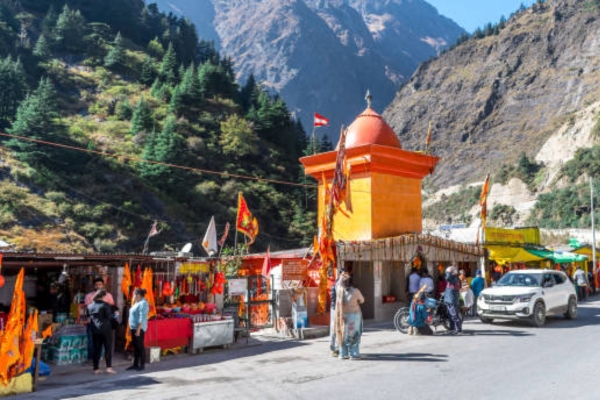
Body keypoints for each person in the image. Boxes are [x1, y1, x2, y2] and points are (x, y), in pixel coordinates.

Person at [334, 272, 364, 360]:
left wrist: (341, 278)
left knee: (343, 334)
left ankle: (343, 353)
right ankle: (354, 353)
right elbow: (362, 300)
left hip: (342, 316)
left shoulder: (339, 291)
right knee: (354, 334)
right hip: (354, 316)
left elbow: (337, 284)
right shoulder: (356, 291)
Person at [87, 289, 117, 374]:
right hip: (106, 330)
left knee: (96, 349)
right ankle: (108, 368)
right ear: (103, 296)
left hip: (95, 330)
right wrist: (115, 315)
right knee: (108, 348)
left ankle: (96, 369)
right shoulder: (105, 305)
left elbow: (88, 316)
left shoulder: (90, 306)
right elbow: (109, 316)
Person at [85, 277, 115, 362]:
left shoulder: (108, 295)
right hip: (92, 322)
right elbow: (88, 307)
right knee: (91, 341)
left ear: (103, 285)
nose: (98, 286)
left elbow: (112, 306)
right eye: (96, 285)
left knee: (104, 342)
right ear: (94, 286)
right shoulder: (89, 296)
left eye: (100, 284)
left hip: (105, 323)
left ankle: (100, 358)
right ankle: (91, 359)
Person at [127, 288, 149, 371]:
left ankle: (142, 364)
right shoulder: (136, 302)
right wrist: (130, 328)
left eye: (134, 294)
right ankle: (135, 364)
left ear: (138, 295)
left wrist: (139, 329)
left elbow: (142, 317)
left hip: (139, 328)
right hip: (133, 327)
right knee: (135, 346)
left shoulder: (143, 303)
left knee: (140, 346)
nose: (132, 296)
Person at [443, 266, 463, 335]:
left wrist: (449, 272)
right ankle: (452, 328)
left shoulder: (455, 279)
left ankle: (459, 330)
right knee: (450, 316)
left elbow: (447, 278)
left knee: (454, 315)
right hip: (449, 300)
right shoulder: (453, 279)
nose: (447, 274)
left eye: (448, 273)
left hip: (453, 300)